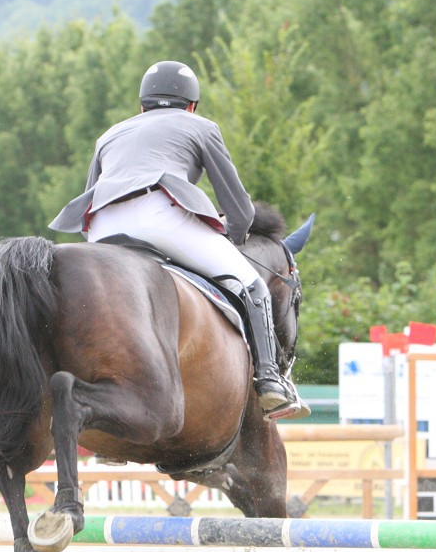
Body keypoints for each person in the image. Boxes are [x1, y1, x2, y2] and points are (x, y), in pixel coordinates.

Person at [50, 60, 301, 419]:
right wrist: (234, 238)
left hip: (102, 226)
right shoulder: (201, 126)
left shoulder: (110, 134)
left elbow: (91, 191)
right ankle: (270, 381)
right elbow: (239, 208)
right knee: (251, 284)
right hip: (161, 217)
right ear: (192, 105)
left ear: (142, 105)